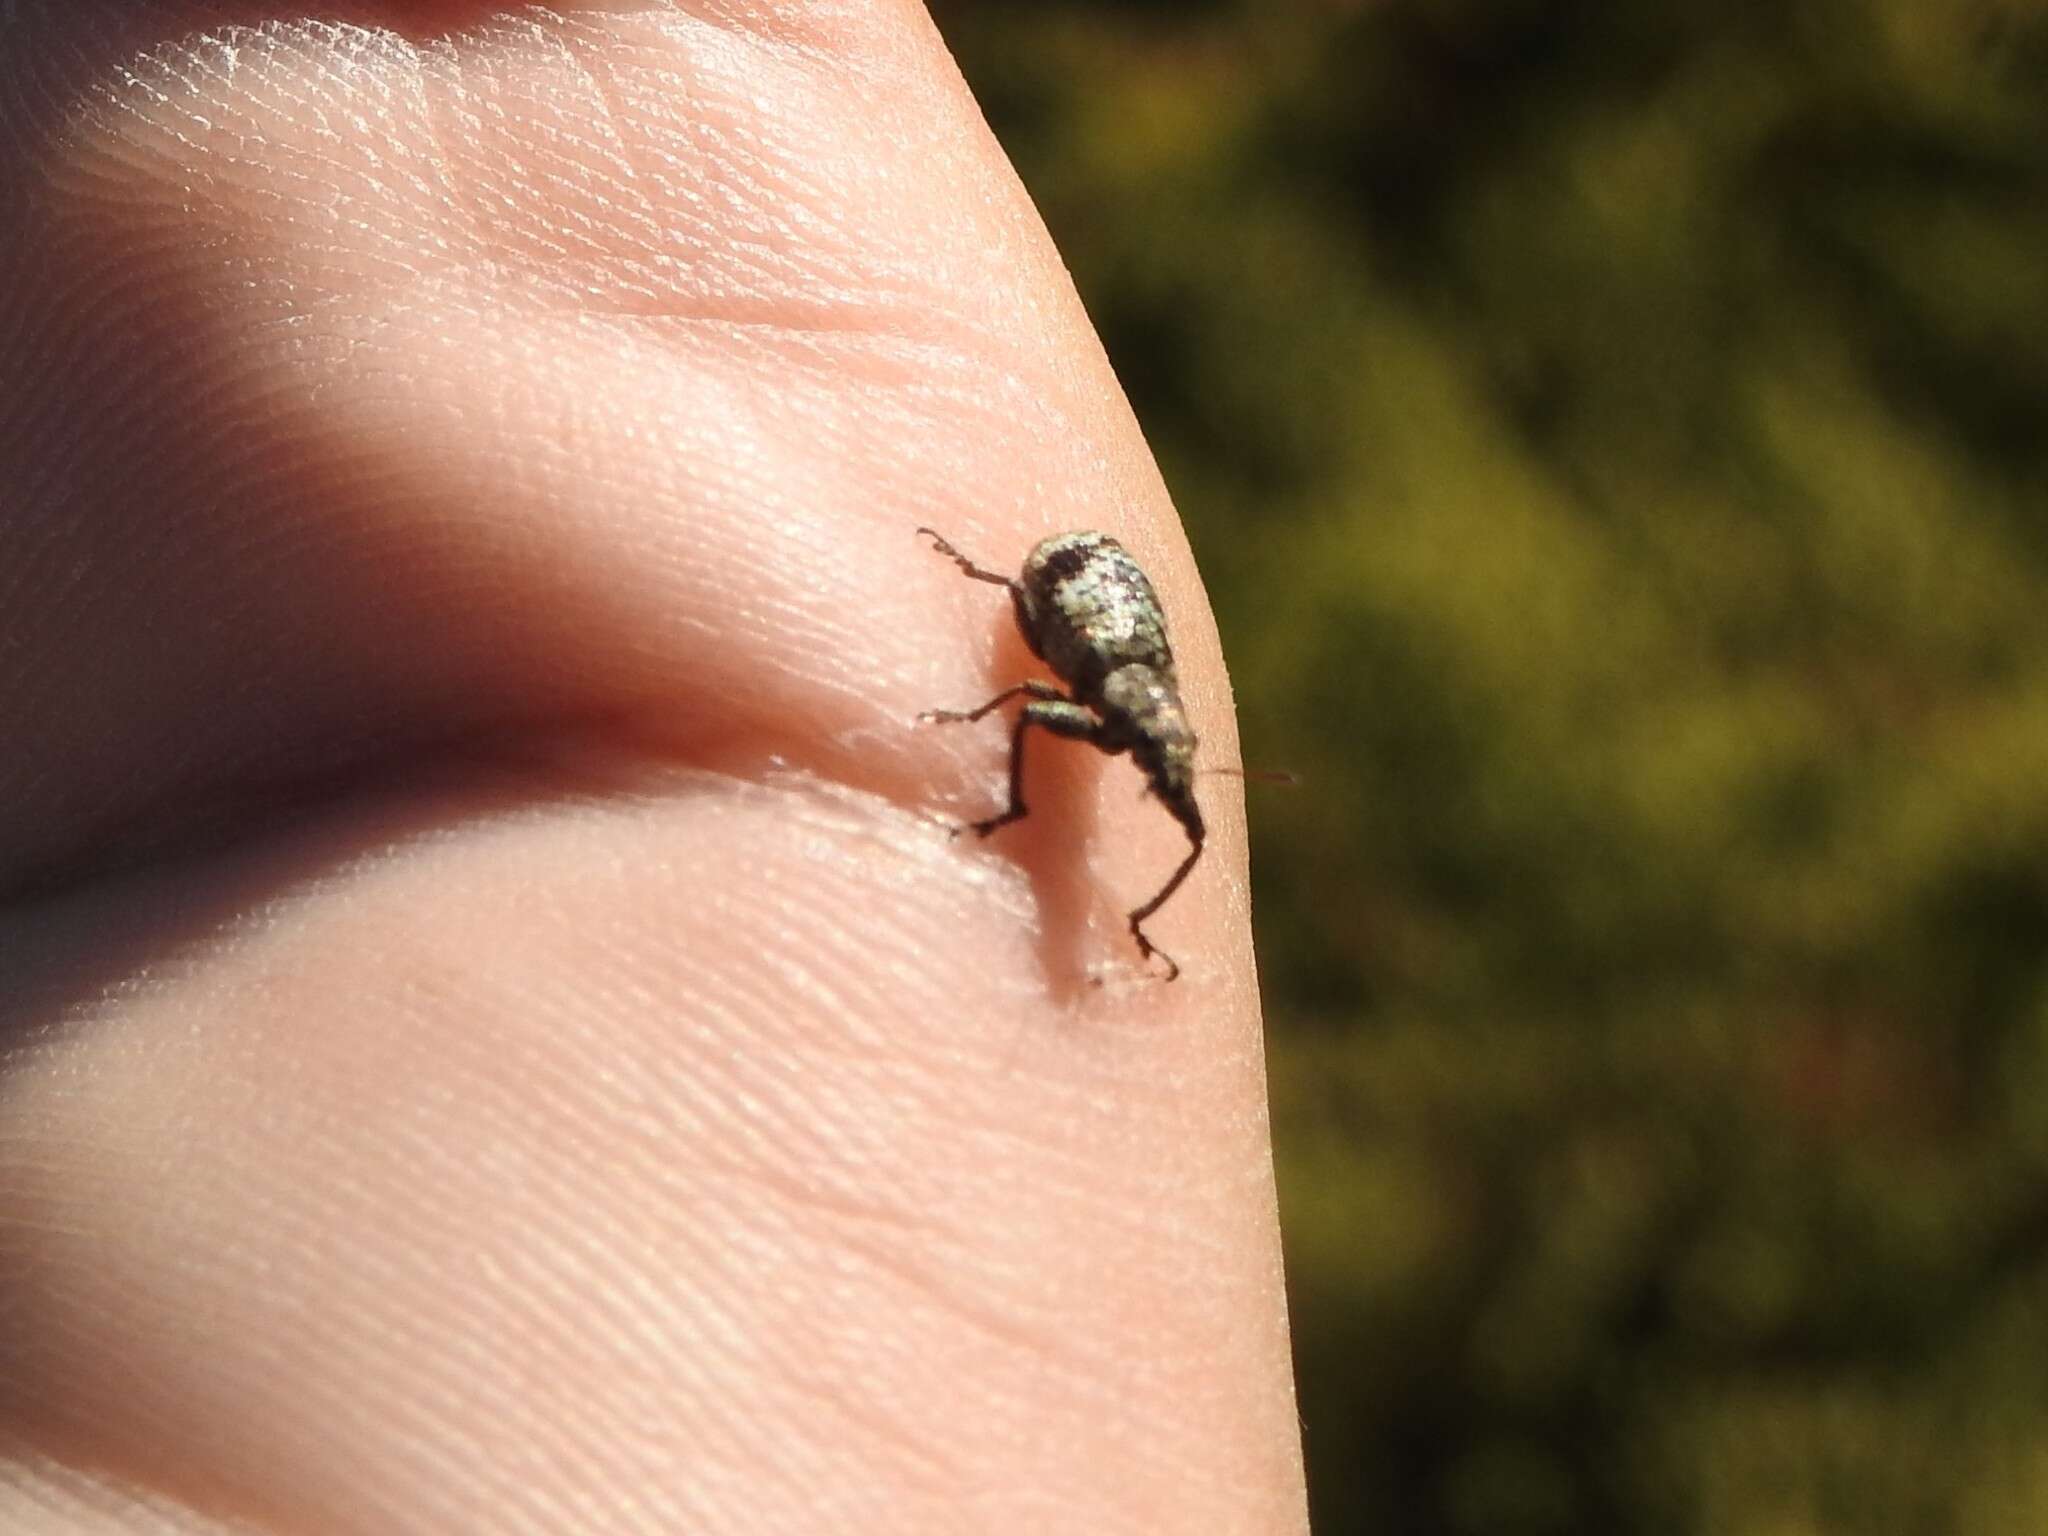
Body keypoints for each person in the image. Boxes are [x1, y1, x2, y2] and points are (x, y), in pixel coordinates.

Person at [0, 4, 1306, 1529]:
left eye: (1154, 760)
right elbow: (1050, 634)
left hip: (1094, 600)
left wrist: (1134, 915)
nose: (1153, 777)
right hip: (1070, 586)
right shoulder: (1090, 692)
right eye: (1148, 755)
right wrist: (1014, 775)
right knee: (1029, 695)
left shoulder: (1168, 748)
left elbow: (1169, 805)